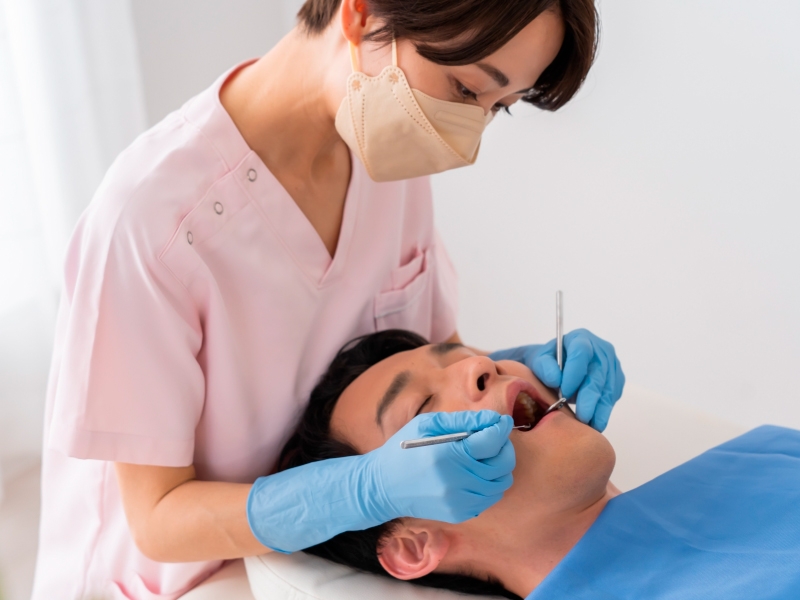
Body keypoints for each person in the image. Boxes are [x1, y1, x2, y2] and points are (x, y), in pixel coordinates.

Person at [33, 1, 626, 599]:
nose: (470, 134)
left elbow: (435, 353)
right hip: (177, 580)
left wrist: (515, 370)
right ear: (362, 13)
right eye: (465, 88)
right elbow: (157, 521)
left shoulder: (385, 154)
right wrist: (363, 490)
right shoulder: (151, 223)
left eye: (499, 107)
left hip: (317, 555)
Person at [276, 329, 800, 600]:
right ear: (413, 545)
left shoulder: (759, 456)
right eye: (420, 407)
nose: (482, 364)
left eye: (462, 355)